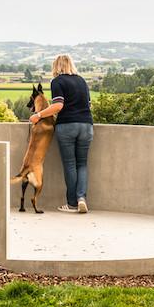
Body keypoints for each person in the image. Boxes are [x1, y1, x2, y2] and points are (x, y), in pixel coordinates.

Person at [29, 54, 93, 213]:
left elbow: (58, 105)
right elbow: (89, 104)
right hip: (86, 125)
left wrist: (38, 115)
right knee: (82, 164)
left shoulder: (57, 81)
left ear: (56, 66)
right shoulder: (82, 80)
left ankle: (72, 204)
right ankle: (81, 198)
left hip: (67, 126)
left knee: (70, 164)